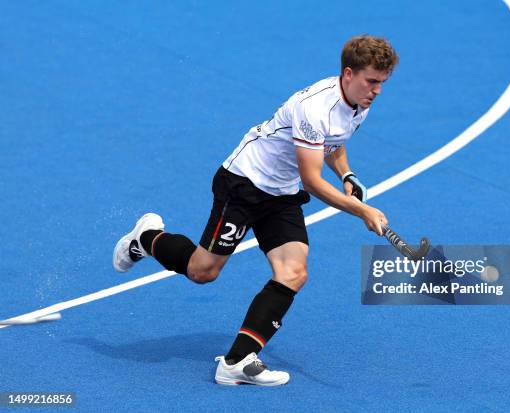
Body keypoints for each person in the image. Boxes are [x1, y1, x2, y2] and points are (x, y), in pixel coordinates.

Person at [113, 34, 399, 386]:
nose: (377, 91)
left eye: (383, 83)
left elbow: (333, 144)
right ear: (348, 73)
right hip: (244, 183)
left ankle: (237, 360)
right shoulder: (314, 108)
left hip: (281, 193)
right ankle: (146, 237)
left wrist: (347, 174)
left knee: (293, 272)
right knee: (204, 271)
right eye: (372, 81)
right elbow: (311, 180)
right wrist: (360, 210)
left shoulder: (360, 102)